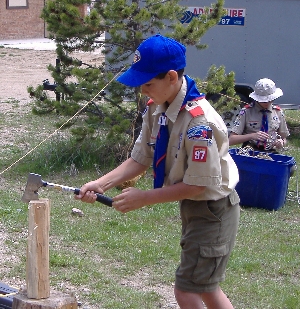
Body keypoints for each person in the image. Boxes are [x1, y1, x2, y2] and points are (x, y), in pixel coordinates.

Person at [75, 34, 240, 309]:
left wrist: (145, 197)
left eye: (148, 83)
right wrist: (100, 183)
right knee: (207, 288)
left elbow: (198, 185)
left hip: (214, 211)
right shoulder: (157, 109)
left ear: (172, 77)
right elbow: (140, 158)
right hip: (196, 207)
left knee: (187, 291)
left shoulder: (200, 123)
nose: (143, 91)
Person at [229, 78, 290, 152]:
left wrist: (281, 142)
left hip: (271, 151)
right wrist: (252, 136)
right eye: (263, 101)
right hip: (250, 150)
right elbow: (231, 140)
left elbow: (284, 138)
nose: (267, 103)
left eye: (270, 100)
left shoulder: (278, 112)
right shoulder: (246, 112)